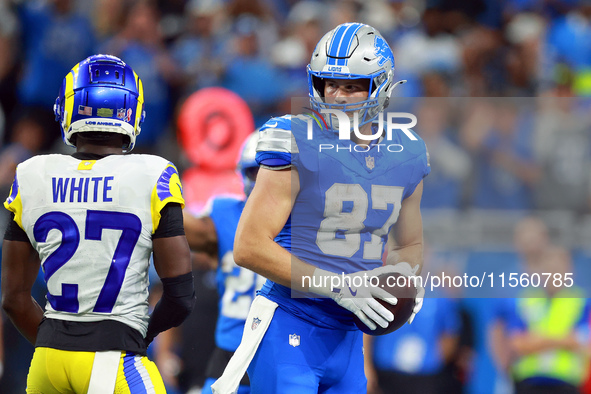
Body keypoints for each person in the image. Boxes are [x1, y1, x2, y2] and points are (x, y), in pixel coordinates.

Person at [212, 22, 430, 393]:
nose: (337, 95)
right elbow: (248, 247)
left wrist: (406, 276)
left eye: (351, 85)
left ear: (382, 87)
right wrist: (338, 285)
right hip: (290, 324)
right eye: (329, 83)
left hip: (348, 335)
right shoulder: (293, 139)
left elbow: (410, 243)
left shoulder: (407, 153)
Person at [1, 54, 195, 394]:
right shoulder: (154, 174)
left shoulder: (32, 174)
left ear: (67, 109)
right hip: (113, 356)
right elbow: (180, 297)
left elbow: (14, 299)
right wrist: (136, 335)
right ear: (133, 114)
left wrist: (57, 343)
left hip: (47, 363)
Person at [180, 131, 263, 394]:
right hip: (229, 354)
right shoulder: (224, 215)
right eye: (255, 172)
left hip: (286, 356)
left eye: (275, 171)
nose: (265, 181)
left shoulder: (311, 225)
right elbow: (173, 223)